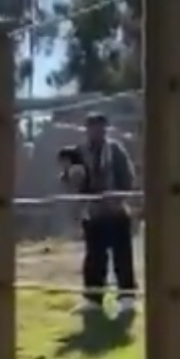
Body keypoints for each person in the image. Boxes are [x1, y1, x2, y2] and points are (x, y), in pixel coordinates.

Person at [58, 112, 138, 314]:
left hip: (116, 212)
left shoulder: (115, 150)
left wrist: (118, 198)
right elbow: (68, 177)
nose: (96, 131)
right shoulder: (79, 151)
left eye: (100, 127)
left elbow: (128, 177)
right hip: (93, 214)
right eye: (92, 127)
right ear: (87, 130)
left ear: (105, 129)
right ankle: (93, 299)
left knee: (122, 256)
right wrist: (70, 176)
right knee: (94, 258)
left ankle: (127, 297)